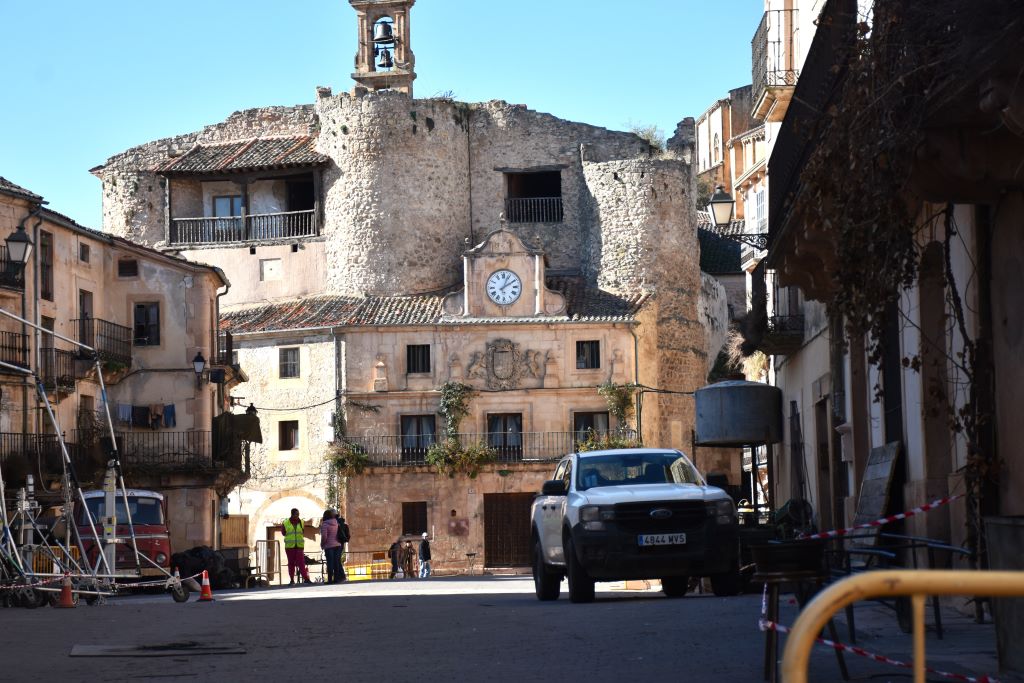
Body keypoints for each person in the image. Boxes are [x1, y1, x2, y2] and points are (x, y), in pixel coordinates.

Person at [281, 508, 311, 584]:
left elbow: (302, 532)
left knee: (301, 562)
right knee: (291, 563)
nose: (297, 516)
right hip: (289, 547)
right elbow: (283, 533)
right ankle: (291, 579)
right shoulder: (285, 522)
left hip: (299, 546)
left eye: (298, 514)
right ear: (292, 514)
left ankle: (306, 579)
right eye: (296, 514)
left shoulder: (301, 522)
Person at [320, 509, 342, 584]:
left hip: (329, 546)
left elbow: (324, 537)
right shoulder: (336, 522)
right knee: (336, 562)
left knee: (330, 563)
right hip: (338, 545)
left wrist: (322, 544)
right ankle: (336, 579)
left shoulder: (325, 524)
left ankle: (329, 580)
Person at [336, 514, 350, 582]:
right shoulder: (344, 524)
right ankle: (341, 576)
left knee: (336, 560)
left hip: (336, 543)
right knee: (338, 560)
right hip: (341, 543)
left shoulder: (335, 523)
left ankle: (340, 576)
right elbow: (348, 536)